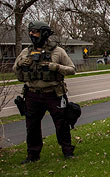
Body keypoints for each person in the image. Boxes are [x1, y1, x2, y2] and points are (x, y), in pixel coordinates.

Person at [13, 21, 77, 163]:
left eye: (35, 31)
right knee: (32, 125)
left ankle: (67, 151)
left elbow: (72, 69)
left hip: (53, 93)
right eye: (30, 32)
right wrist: (20, 64)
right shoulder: (26, 52)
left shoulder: (58, 51)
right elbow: (15, 70)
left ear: (44, 33)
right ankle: (33, 155)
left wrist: (55, 67)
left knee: (62, 123)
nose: (31, 34)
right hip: (32, 94)